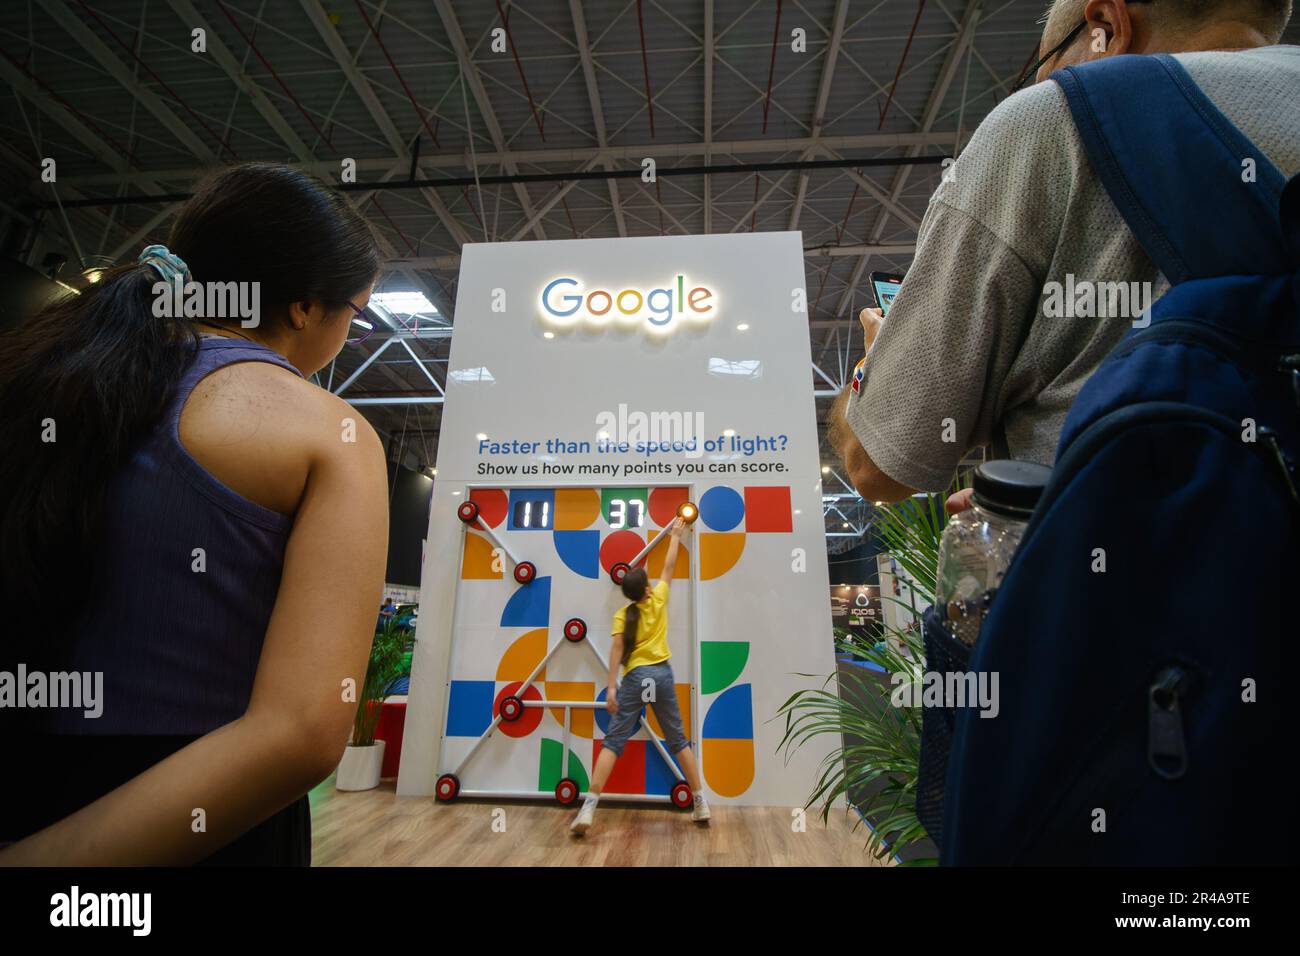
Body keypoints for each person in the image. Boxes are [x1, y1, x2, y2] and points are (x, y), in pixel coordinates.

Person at [0, 163, 389, 865]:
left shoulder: (47, 381)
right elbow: (300, 732)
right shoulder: (327, 433)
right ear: (304, 307)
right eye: (355, 316)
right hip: (206, 817)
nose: (349, 336)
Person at [830, 0, 1299, 512]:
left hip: (1143, 572)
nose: (1043, 85)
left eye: (1047, 64)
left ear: (1105, 27)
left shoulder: (1057, 117)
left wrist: (871, 362)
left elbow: (879, 467)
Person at [570, 517, 709, 834]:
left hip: (635, 678)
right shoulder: (658, 599)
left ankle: (588, 808)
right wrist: (675, 535)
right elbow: (670, 568)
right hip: (661, 676)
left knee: (613, 742)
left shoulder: (623, 615)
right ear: (646, 588)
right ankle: (700, 802)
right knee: (678, 740)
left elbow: (616, 652)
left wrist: (610, 688)